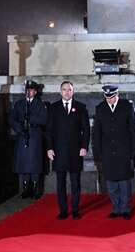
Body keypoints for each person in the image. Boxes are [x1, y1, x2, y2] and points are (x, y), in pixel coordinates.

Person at [45, 81, 90, 220]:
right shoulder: (53, 108)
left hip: (76, 152)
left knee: (75, 182)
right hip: (59, 152)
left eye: (69, 90)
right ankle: (63, 210)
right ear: (60, 91)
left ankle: (75, 210)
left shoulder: (81, 107)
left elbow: (86, 130)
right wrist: (49, 148)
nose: (66, 92)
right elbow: (49, 131)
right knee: (60, 183)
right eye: (64, 90)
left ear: (73, 91)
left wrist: (84, 146)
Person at [93, 85, 135, 219]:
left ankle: (125, 209)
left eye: (112, 97)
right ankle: (116, 208)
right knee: (111, 182)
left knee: (124, 182)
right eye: (107, 98)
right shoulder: (100, 108)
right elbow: (96, 134)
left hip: (124, 151)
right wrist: (97, 153)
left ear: (117, 94)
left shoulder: (127, 106)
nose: (110, 100)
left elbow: (134, 131)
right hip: (107, 152)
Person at [11, 80, 48, 199]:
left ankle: (36, 188)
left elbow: (44, 119)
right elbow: (12, 119)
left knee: (34, 163)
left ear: (35, 92)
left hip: (34, 135)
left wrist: (31, 119)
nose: (29, 92)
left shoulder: (40, 104)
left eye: (31, 90)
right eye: (27, 90)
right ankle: (25, 189)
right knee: (24, 163)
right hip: (22, 135)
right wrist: (20, 129)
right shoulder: (19, 104)